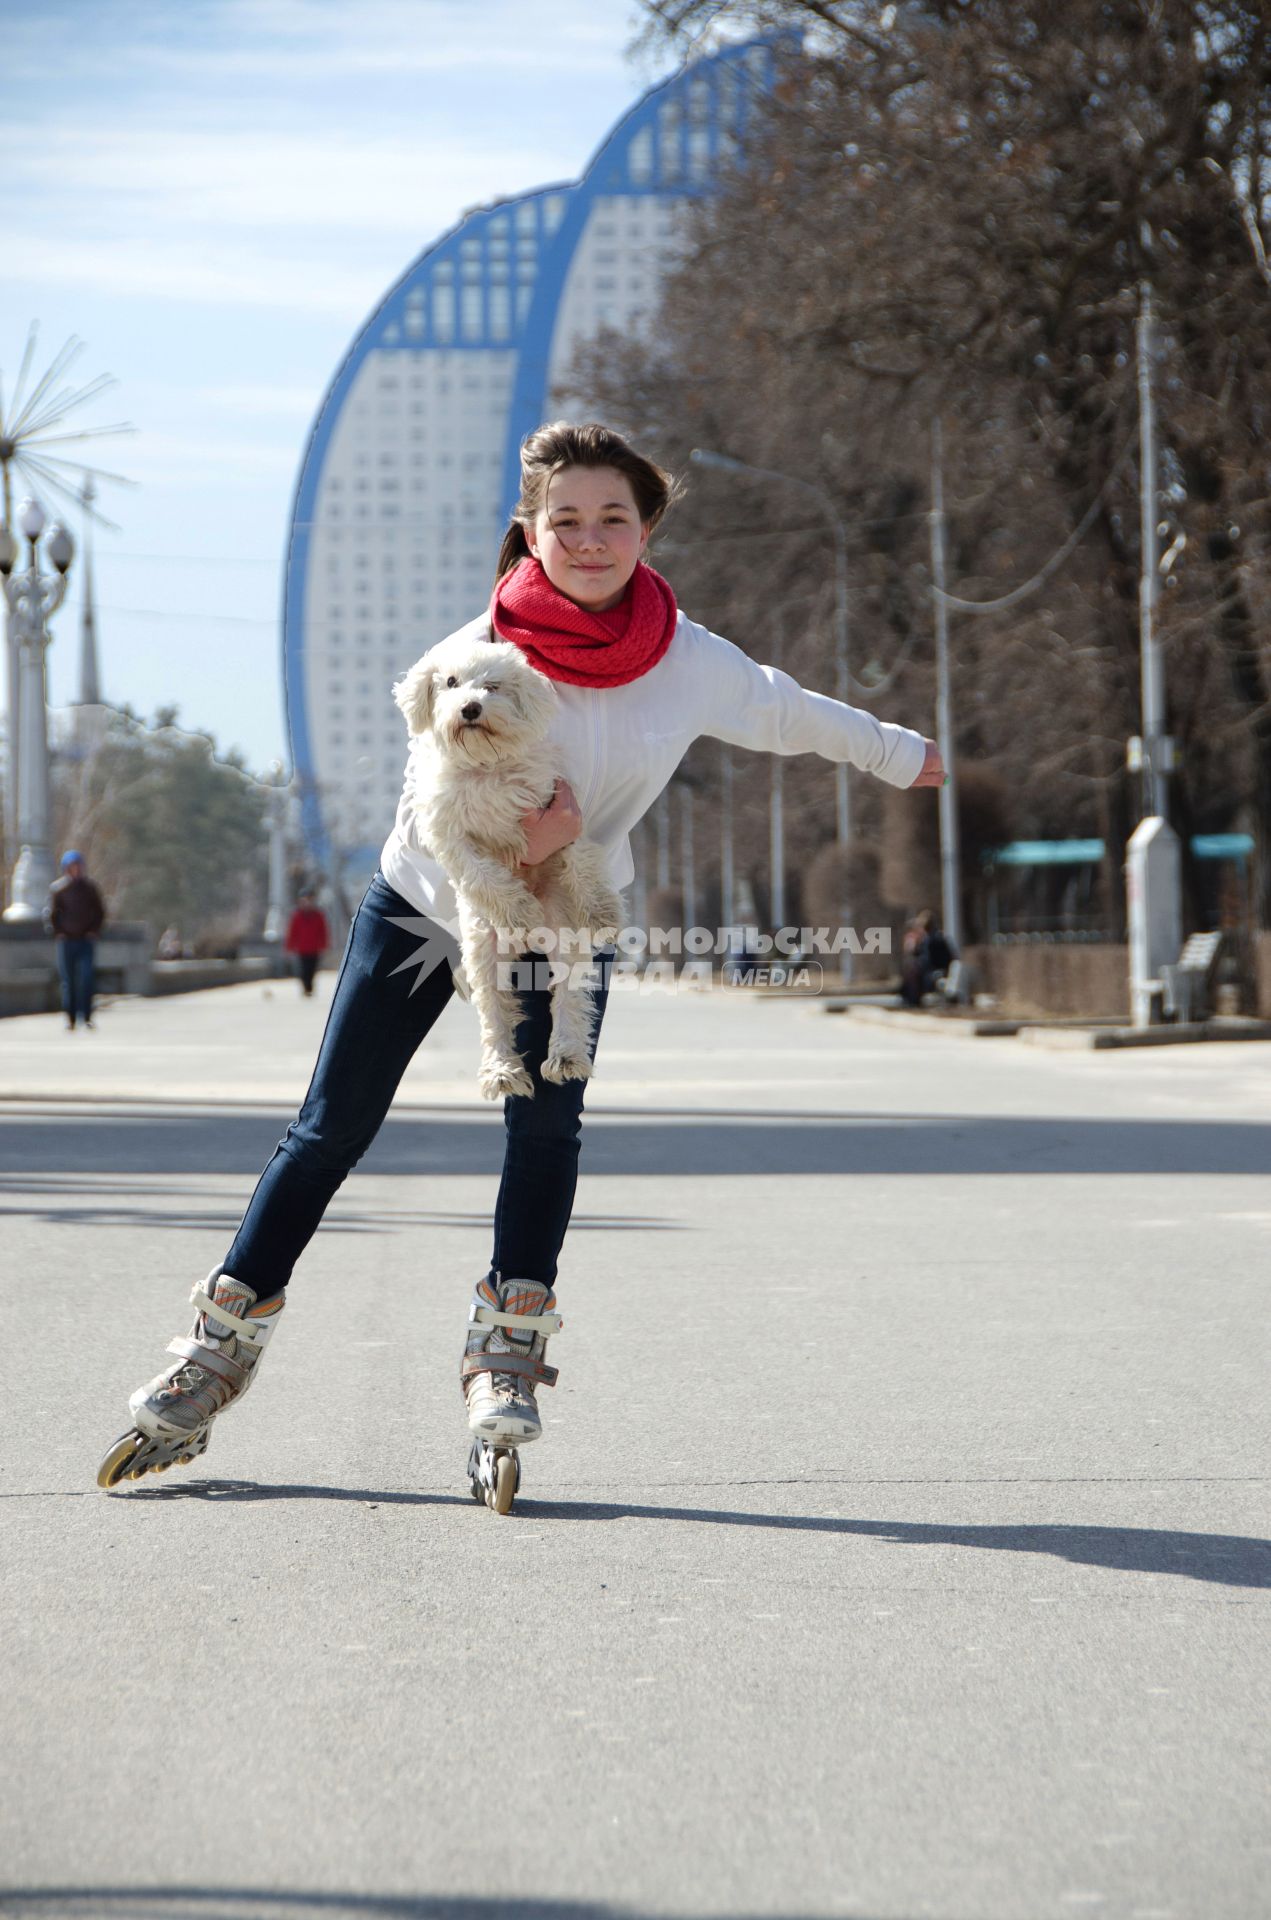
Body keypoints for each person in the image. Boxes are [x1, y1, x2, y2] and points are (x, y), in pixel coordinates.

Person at [99, 420, 946, 1499]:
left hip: (564, 916)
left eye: (612, 519)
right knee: (331, 1127)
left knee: (545, 1122)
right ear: (530, 529)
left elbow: (787, 712)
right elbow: (425, 800)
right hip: (427, 907)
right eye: (566, 521)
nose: (589, 540)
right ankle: (215, 1351)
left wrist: (906, 753)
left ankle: (506, 1351)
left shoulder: (686, 660)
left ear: (644, 528)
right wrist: (521, 847)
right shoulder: (477, 649)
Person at [45, 850, 106, 1031]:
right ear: (66, 869)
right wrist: (57, 932)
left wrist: (94, 931)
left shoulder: (90, 888)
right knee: (68, 980)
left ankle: (86, 1015)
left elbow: (100, 912)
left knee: (86, 978)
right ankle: (70, 1018)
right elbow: (52, 914)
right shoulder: (59, 889)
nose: (76, 870)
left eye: (78, 866)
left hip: (85, 941)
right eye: (72, 867)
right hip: (67, 941)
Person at [900, 907, 956, 1006]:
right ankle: (910, 998)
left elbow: (927, 960)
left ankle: (912, 1000)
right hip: (942, 968)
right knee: (913, 971)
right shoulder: (939, 937)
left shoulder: (930, 940)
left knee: (913, 973)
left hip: (934, 971)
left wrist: (915, 955)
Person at [283, 889, 330, 997]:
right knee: (303, 969)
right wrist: (289, 946)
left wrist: (324, 945)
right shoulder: (297, 916)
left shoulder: (318, 915)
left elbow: (323, 931)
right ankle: (306, 987)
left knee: (312, 968)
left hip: (314, 948)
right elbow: (292, 932)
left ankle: (309, 986)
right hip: (302, 948)